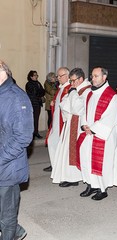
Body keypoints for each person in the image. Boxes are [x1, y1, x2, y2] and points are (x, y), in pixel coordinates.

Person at [0, 60, 34, 239]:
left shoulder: (17, 97)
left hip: (7, 167)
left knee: (6, 216)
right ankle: (17, 231)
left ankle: (12, 233)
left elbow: (23, 137)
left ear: (2, 72)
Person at [76, 67, 117, 201]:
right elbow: (84, 110)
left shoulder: (112, 96)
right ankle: (90, 184)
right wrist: (84, 124)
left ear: (104, 77)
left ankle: (102, 188)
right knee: (86, 159)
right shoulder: (89, 93)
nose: (92, 78)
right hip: (89, 133)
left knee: (101, 162)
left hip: (102, 136)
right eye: (92, 76)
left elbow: (110, 117)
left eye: (96, 76)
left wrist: (93, 129)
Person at [51, 68, 91, 187]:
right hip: (71, 124)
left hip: (79, 126)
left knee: (78, 152)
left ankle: (77, 177)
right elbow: (65, 104)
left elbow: (77, 109)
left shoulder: (86, 91)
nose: (72, 84)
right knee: (68, 151)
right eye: (71, 81)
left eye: (73, 81)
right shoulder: (76, 89)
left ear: (81, 79)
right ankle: (71, 176)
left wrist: (72, 93)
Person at [43, 67, 71, 172]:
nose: (58, 78)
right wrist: (53, 103)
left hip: (62, 123)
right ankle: (54, 163)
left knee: (60, 145)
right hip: (56, 121)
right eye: (57, 76)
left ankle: (58, 166)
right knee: (52, 141)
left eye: (60, 76)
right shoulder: (61, 87)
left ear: (67, 76)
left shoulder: (69, 89)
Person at [25, 70, 45, 139]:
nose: (36, 76)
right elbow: (33, 93)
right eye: (35, 75)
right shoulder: (29, 84)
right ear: (31, 77)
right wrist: (39, 93)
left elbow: (43, 92)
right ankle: (32, 133)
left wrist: (39, 93)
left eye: (37, 75)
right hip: (32, 104)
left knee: (36, 119)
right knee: (32, 119)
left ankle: (36, 132)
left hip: (38, 103)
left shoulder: (38, 83)